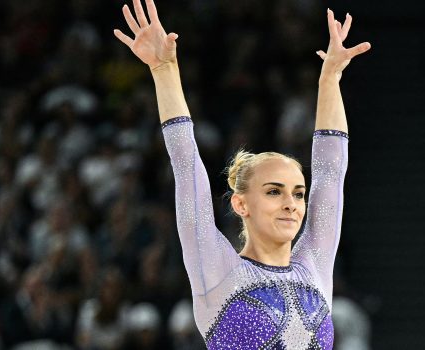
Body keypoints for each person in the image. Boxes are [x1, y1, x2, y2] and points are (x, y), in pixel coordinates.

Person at [113, 0, 370, 348]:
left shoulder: (314, 266)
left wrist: (330, 79)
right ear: (241, 203)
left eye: (297, 193)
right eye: (274, 191)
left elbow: (330, 173)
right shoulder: (218, 271)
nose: (291, 204)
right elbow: (186, 164)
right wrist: (164, 70)